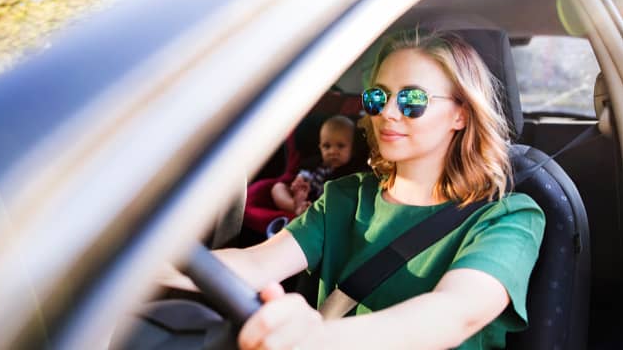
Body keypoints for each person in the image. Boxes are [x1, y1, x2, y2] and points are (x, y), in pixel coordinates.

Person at [164, 29, 545, 349]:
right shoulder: (345, 197)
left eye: (413, 100)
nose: (388, 113)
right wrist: (139, 261)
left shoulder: (509, 217)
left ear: (461, 113)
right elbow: (255, 265)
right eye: (377, 97)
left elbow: (452, 313)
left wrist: (318, 339)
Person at [271, 115, 357, 216]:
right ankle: (295, 208)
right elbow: (304, 174)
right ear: (320, 147)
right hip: (303, 197)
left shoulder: (351, 172)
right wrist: (298, 183)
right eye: (327, 146)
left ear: (353, 149)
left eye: (340, 146)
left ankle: (308, 212)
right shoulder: (315, 163)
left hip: (323, 205)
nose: (332, 151)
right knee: (278, 187)